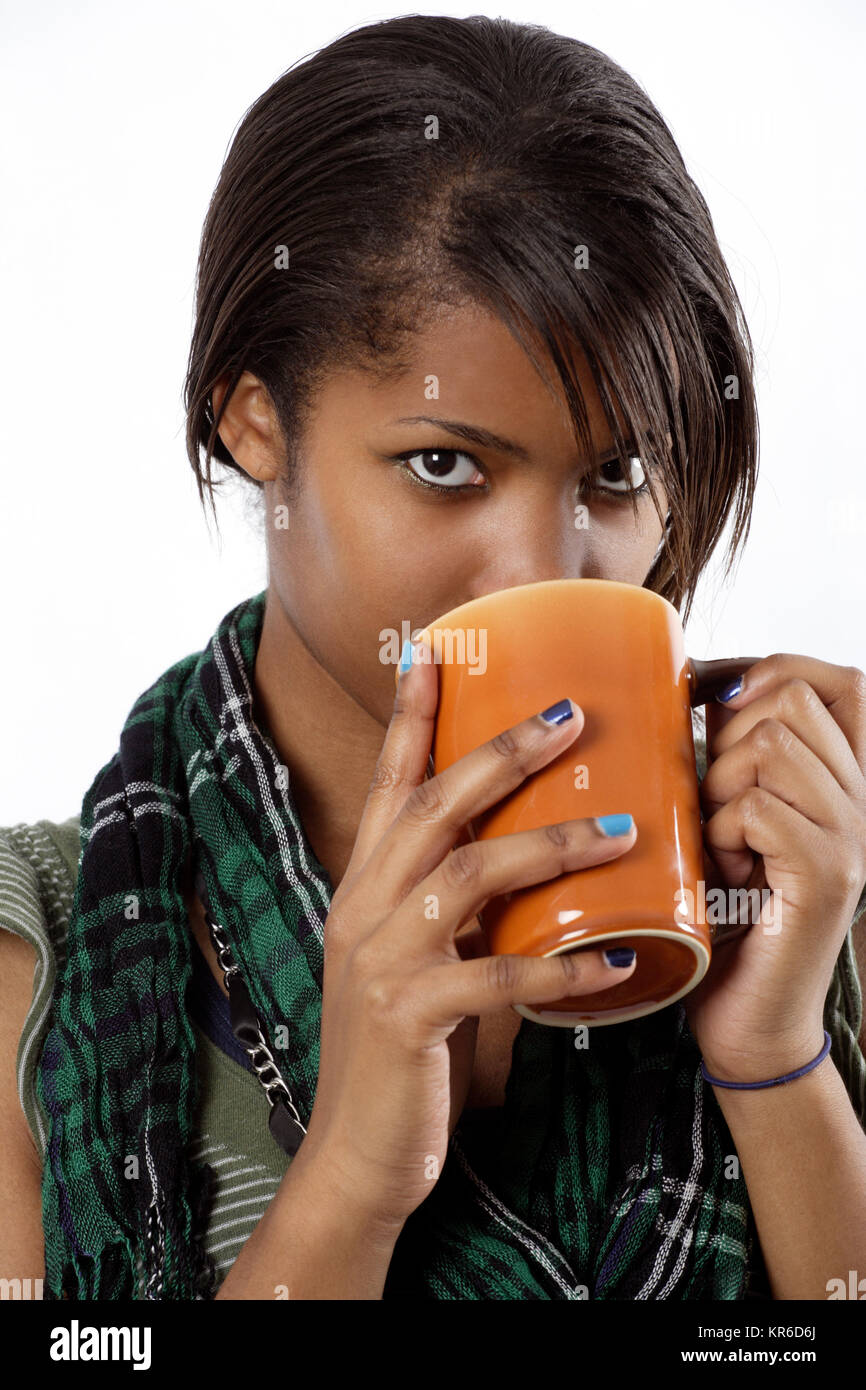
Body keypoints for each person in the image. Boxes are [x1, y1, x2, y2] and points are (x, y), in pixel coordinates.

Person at [2, 14, 865, 1302]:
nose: (543, 572)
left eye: (619, 475)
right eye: (444, 465)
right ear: (256, 427)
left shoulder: (810, 882)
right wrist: (349, 1175)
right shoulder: (44, 964)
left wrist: (777, 1057)